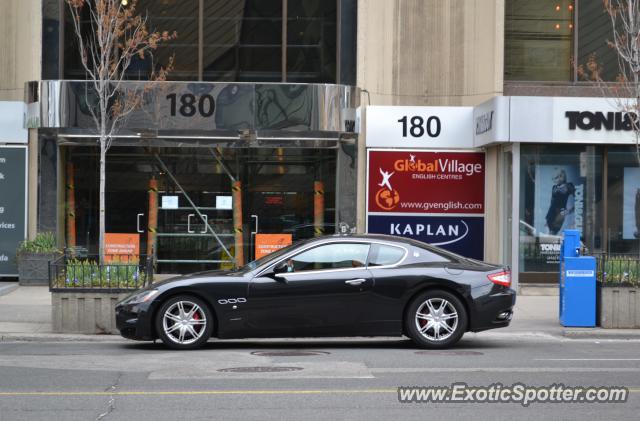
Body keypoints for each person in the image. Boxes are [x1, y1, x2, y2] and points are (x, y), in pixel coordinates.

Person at [545, 169, 575, 235]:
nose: (556, 179)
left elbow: (579, 200)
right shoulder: (554, 187)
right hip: (551, 213)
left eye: (558, 177)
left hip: (560, 213)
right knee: (548, 235)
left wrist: (569, 211)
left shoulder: (569, 186)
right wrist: (548, 217)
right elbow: (552, 202)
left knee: (554, 233)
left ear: (562, 176)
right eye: (554, 178)